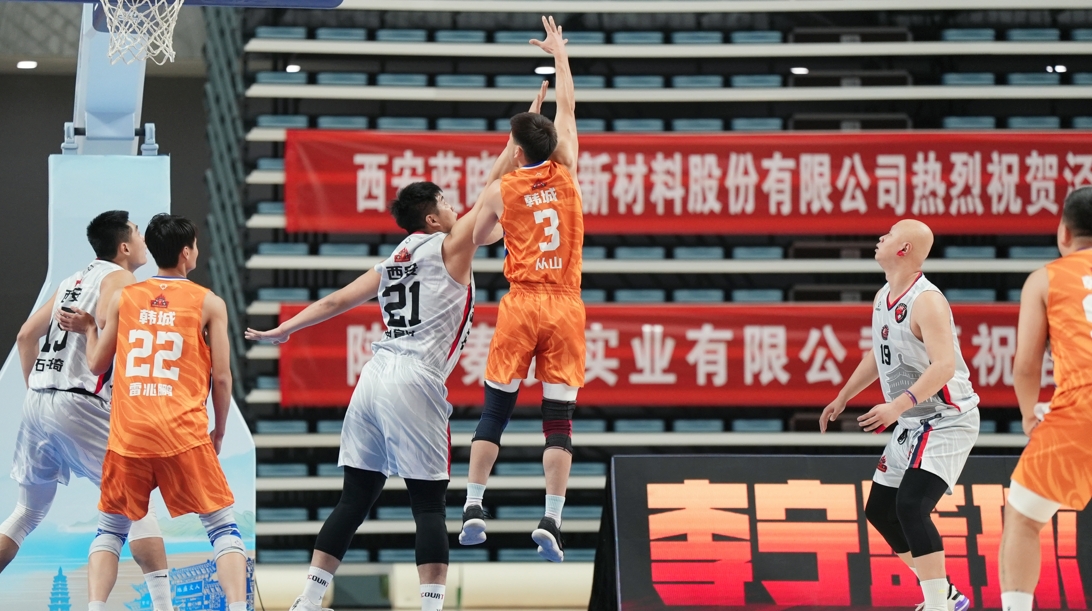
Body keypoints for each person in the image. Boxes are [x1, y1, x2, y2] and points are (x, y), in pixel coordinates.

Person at [243, 86, 544, 611]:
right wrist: (518, 142)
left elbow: (336, 300)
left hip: (374, 376)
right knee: (429, 505)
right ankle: (430, 607)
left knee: (356, 496)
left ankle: (308, 601)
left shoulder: (396, 257)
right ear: (433, 220)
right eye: (446, 203)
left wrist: (283, 330)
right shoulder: (450, 246)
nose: (454, 206)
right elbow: (493, 192)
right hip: (414, 379)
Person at [58, 214, 248, 611]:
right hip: (183, 433)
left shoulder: (124, 298)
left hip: (129, 434)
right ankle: (235, 606)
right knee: (222, 527)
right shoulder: (209, 303)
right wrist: (219, 430)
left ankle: (95, 607)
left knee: (110, 531)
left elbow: (96, 364)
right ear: (186, 253)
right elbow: (222, 378)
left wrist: (90, 329)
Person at [1, 211, 172, 611]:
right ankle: (165, 607)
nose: (144, 241)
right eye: (137, 233)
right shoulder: (123, 281)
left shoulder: (71, 281)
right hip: (79, 403)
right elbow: (111, 351)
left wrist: (40, 390)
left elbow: (25, 336)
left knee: (25, 513)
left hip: (38, 402)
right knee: (138, 504)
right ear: (124, 246)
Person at [461, 15, 583, 564]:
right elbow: (568, 110)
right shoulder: (568, 172)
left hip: (523, 304)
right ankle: (552, 519)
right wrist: (560, 55)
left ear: (515, 150)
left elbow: (475, 234)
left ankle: (473, 506)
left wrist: (508, 153)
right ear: (552, 146)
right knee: (557, 422)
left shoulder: (503, 190)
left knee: (495, 412)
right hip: (565, 306)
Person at [820, 219, 978, 611]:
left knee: (910, 506)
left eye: (889, 235)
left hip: (947, 418)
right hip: (912, 420)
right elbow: (879, 353)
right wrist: (843, 396)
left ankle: (938, 604)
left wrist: (895, 406)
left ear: (903, 249)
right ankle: (946, 594)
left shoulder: (928, 301)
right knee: (880, 511)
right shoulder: (883, 296)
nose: (881, 238)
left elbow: (944, 366)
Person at [1000, 187, 1092, 611]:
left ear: (1064, 233)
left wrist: (1027, 415)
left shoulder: (1046, 279)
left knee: (1023, 518)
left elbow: (1025, 365)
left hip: (1081, 409)